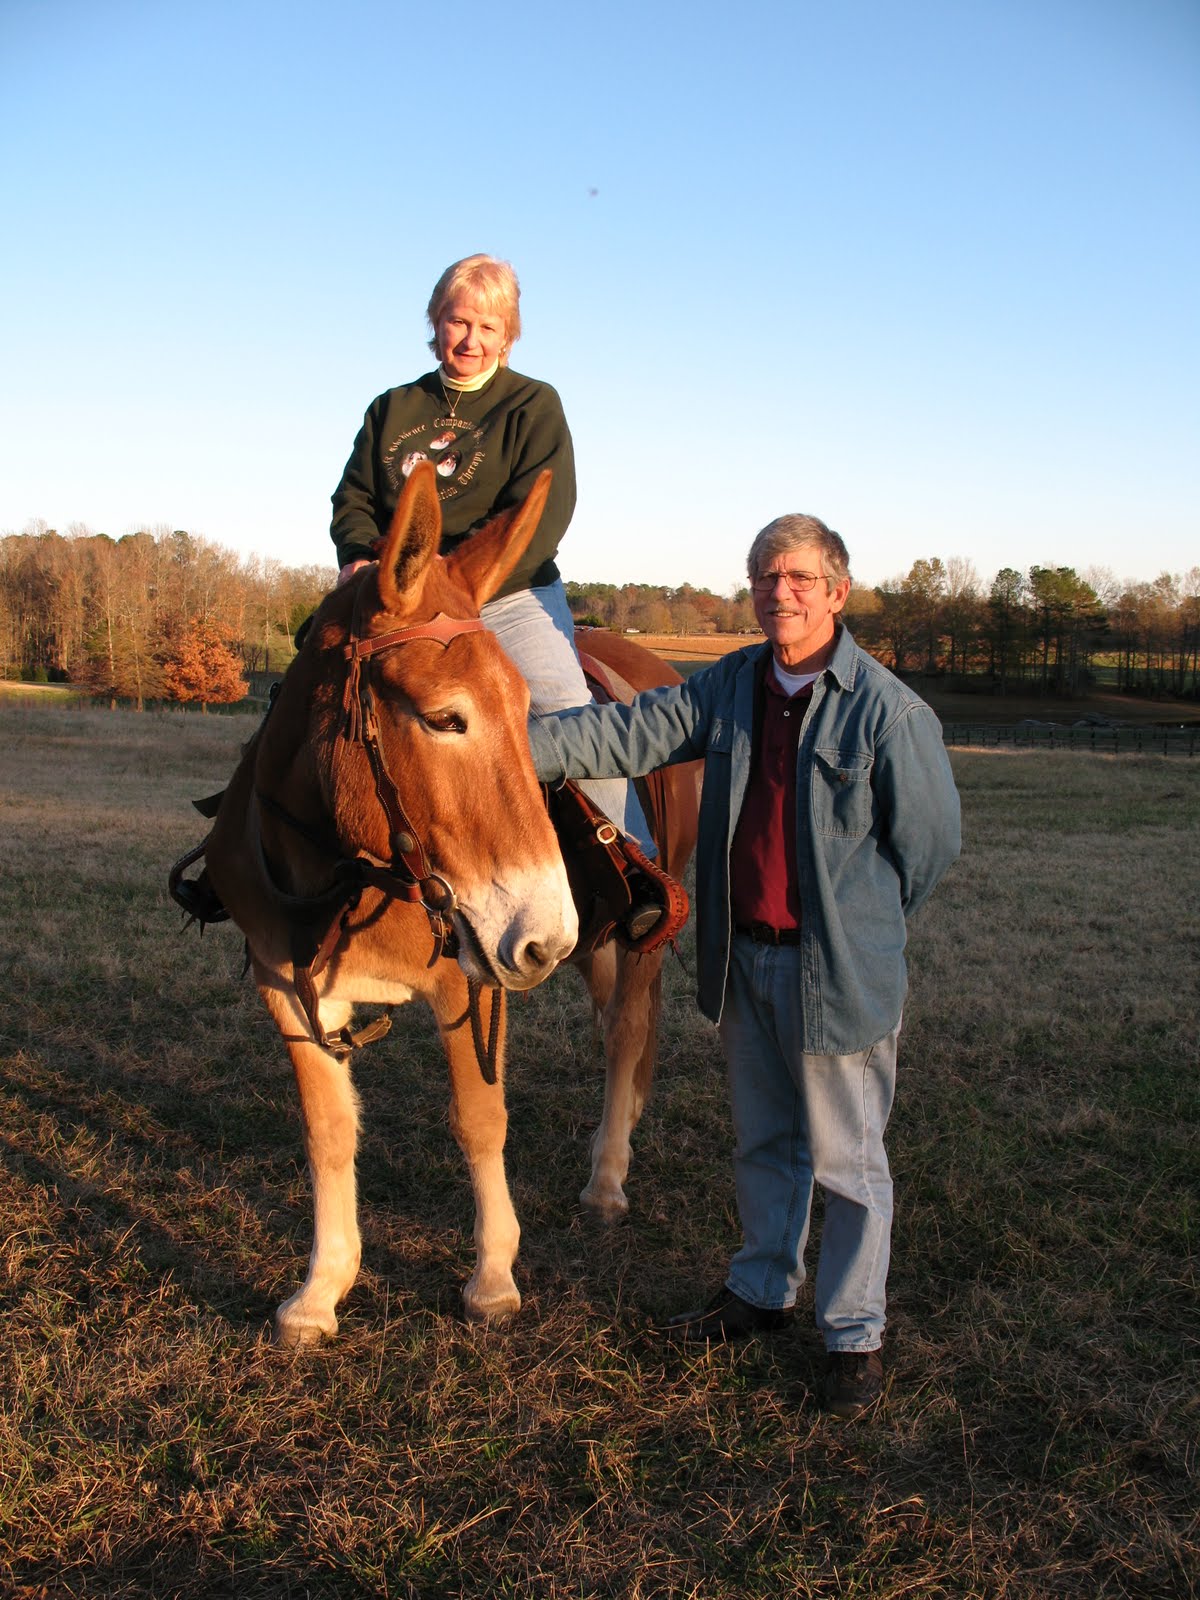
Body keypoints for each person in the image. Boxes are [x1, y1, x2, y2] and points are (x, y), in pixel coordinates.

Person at [526, 512, 961, 1418]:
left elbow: (928, 849)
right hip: (747, 961)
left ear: (836, 592)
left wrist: (861, 933)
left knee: (848, 1163)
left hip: (837, 971)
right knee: (765, 1144)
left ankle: (852, 1337)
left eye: (800, 578)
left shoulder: (889, 712)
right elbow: (625, 735)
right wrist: (504, 748)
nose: (782, 592)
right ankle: (763, 1291)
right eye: (767, 577)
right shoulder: (730, 687)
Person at [330, 251, 654, 860]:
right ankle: (248, 852)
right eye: (458, 322)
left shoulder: (532, 405)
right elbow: (354, 498)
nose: (470, 339)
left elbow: (543, 512)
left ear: (508, 336)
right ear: (436, 324)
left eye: (487, 327)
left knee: (570, 714)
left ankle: (630, 866)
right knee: (307, 693)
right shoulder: (391, 408)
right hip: (399, 599)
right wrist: (355, 557)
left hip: (506, 594)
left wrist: (465, 579)